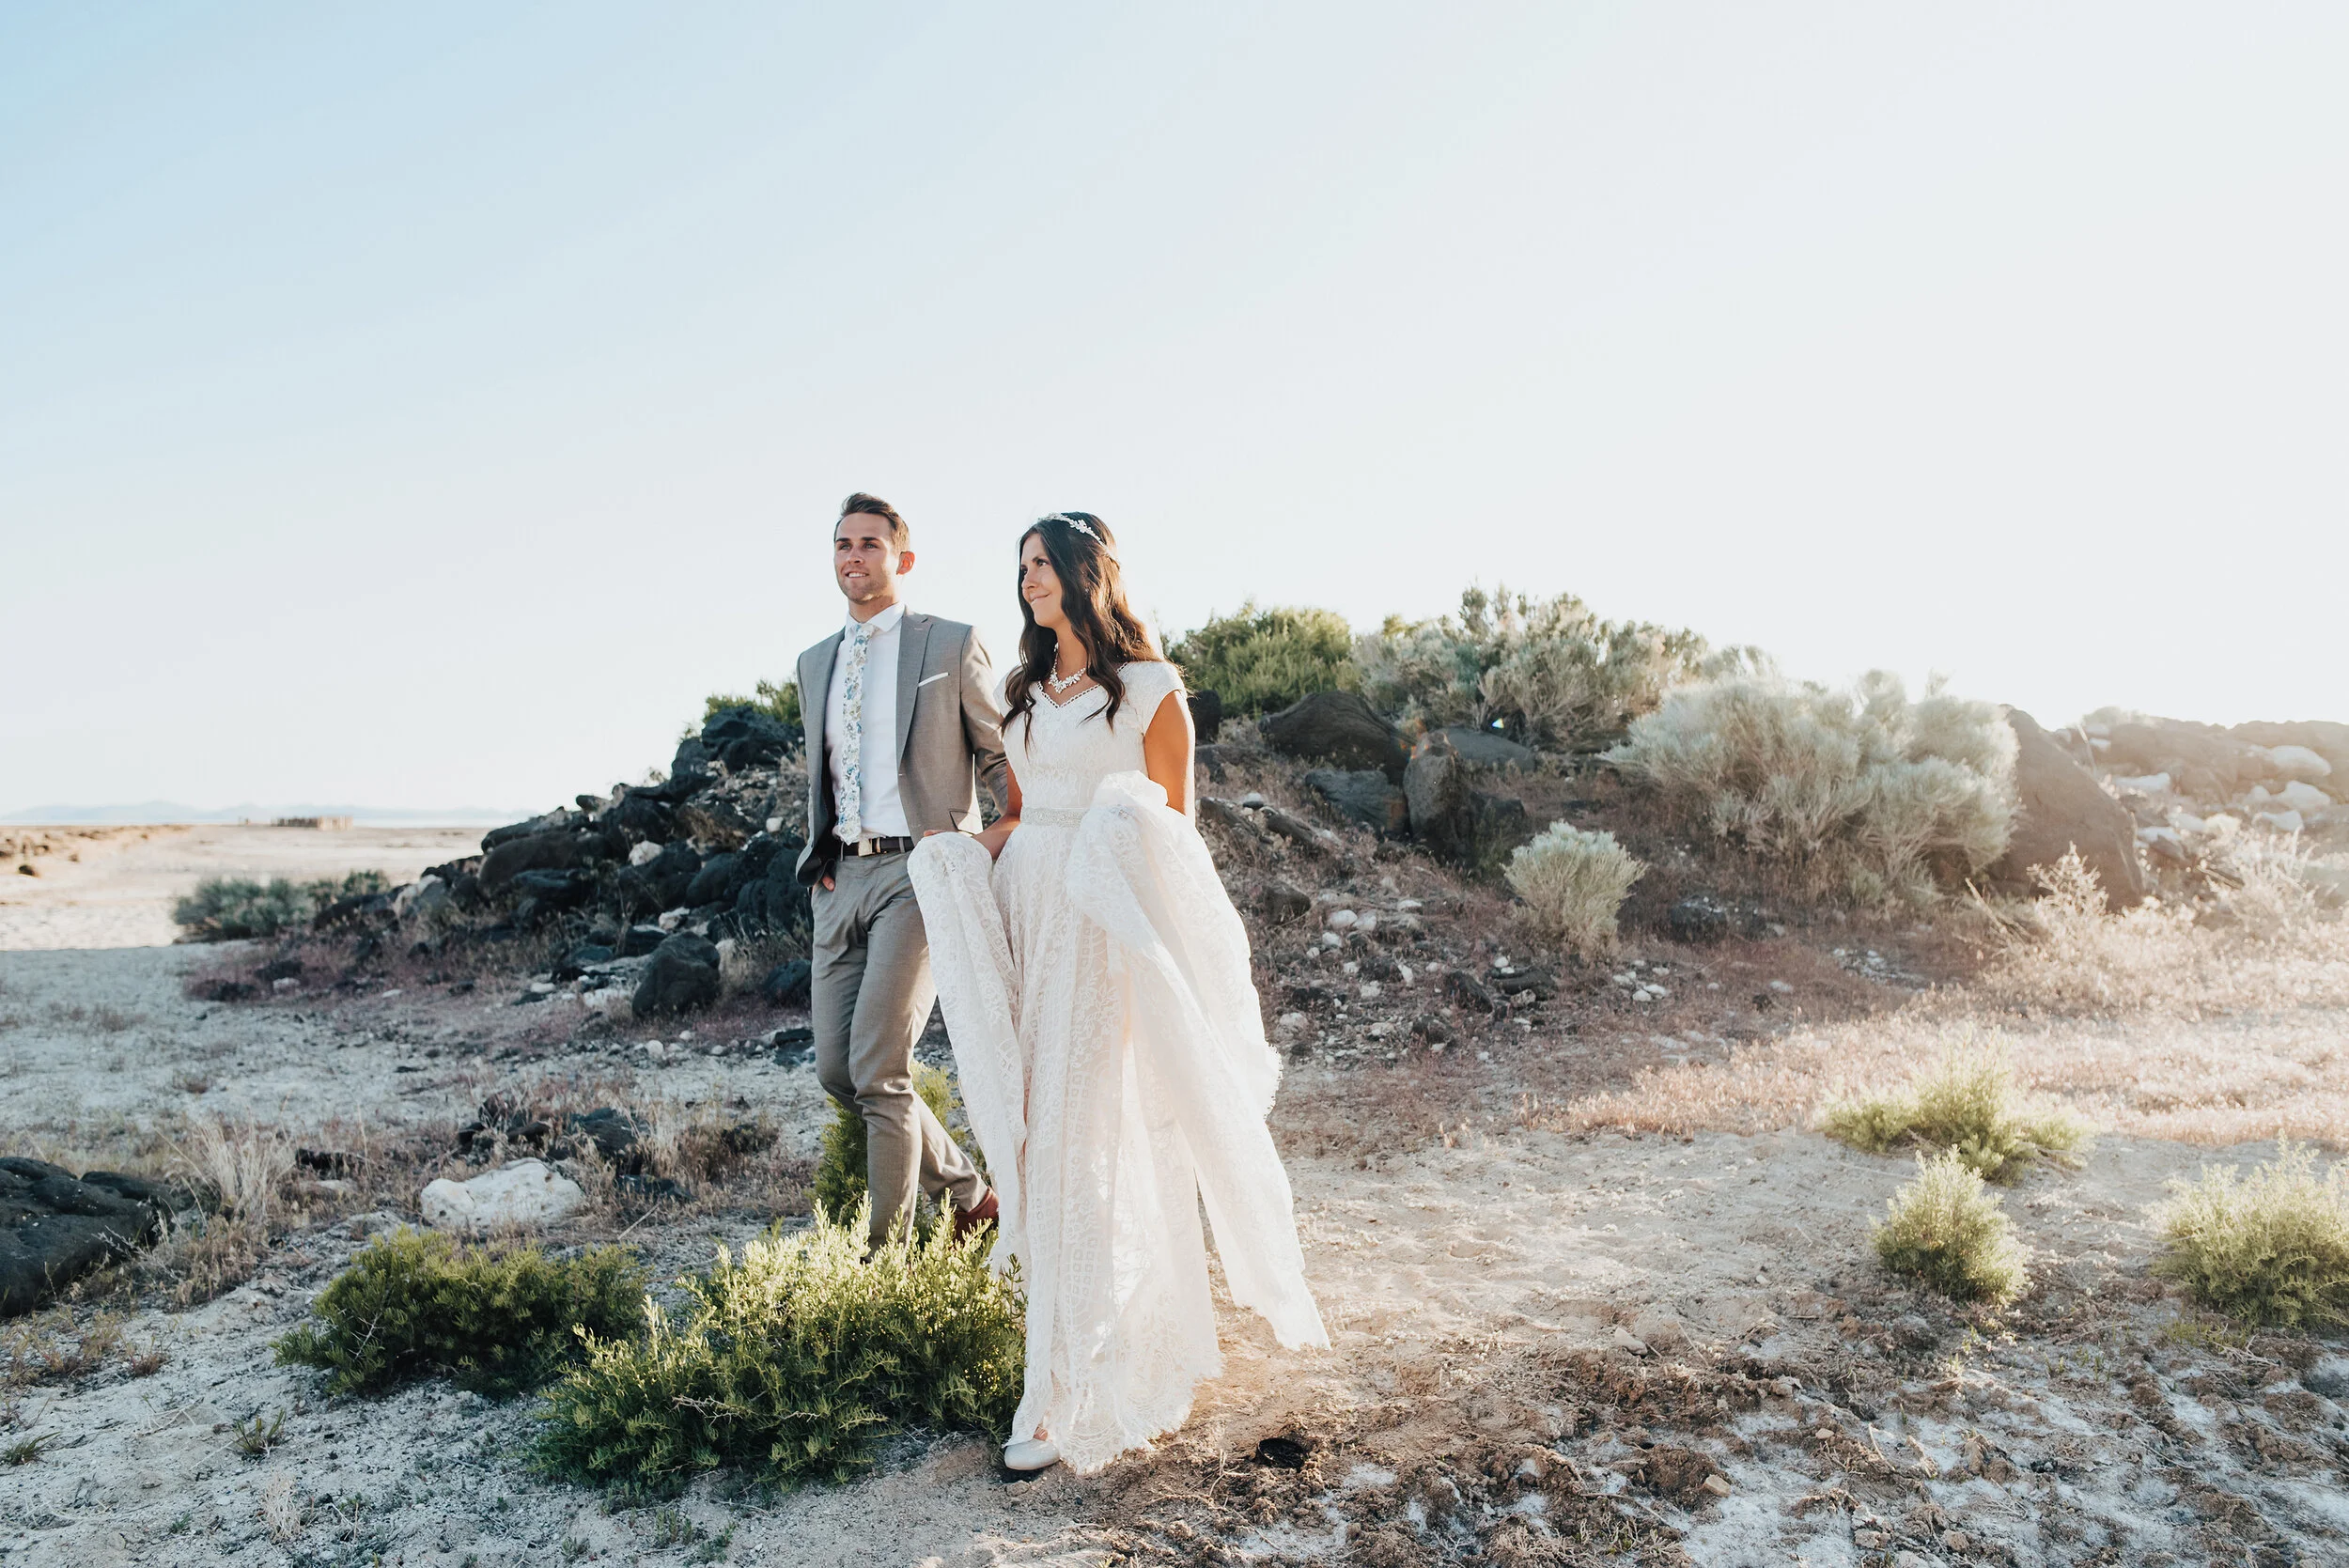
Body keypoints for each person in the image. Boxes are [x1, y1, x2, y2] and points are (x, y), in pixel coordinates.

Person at [908, 512, 1329, 1475]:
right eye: (1020, 568)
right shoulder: (1020, 695)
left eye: (1044, 564)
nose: (1028, 581)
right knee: (1037, 1132)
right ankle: (1071, 1351)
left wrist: (1109, 829)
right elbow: (1015, 817)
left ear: (1085, 573)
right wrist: (954, 854)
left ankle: (1059, 1391)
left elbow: (1172, 825)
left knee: (1076, 1135)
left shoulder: (1149, 688)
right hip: (1028, 916)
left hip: (1102, 929)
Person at [794, 492, 1005, 1253]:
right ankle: (970, 1195)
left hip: (918, 872)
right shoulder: (813, 661)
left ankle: (884, 1265)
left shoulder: (948, 644)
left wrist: (988, 840)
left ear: (901, 559)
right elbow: (820, 772)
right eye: (843, 544)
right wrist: (819, 854)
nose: (855, 556)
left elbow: (999, 755)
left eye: (870, 545)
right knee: (837, 1073)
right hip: (839, 880)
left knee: (880, 1068)